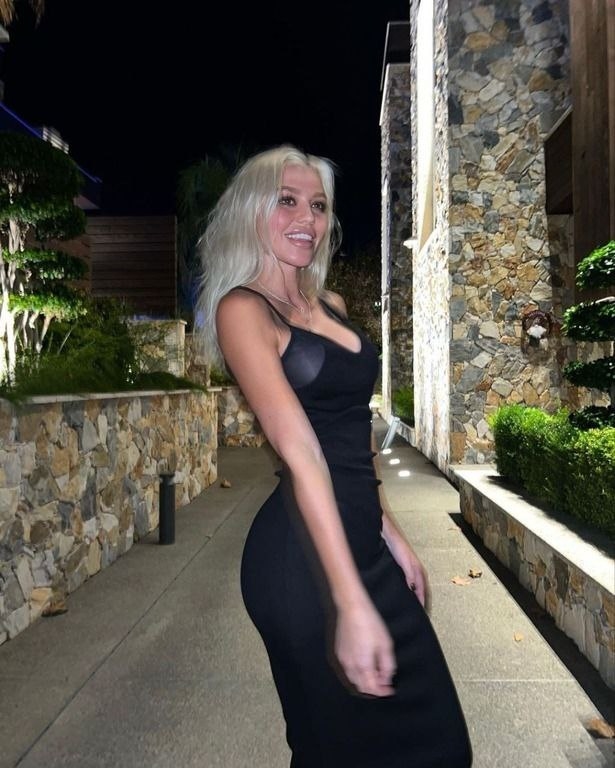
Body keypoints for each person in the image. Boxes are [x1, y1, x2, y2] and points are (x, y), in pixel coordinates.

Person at [197, 144, 472, 767]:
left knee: (441, 746)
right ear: (253, 211)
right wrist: (349, 602)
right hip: (302, 562)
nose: (307, 219)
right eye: (287, 201)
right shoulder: (243, 310)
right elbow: (301, 453)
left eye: (317, 205)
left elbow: (354, 432)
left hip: (361, 541)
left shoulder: (331, 306)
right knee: (333, 750)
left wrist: (390, 530)